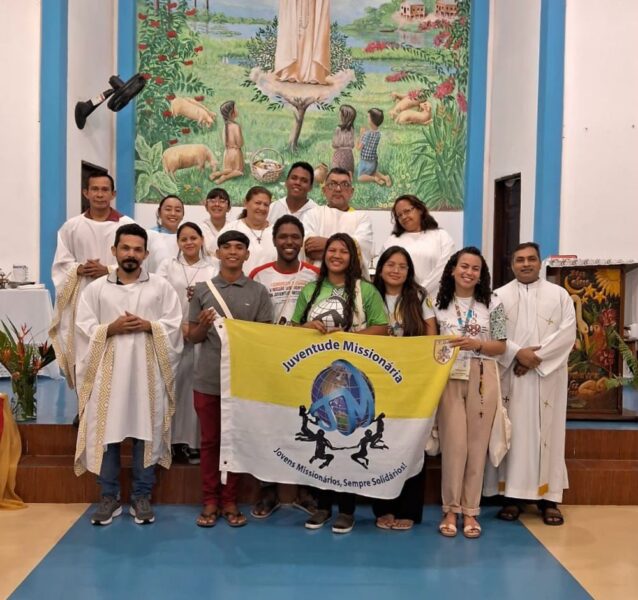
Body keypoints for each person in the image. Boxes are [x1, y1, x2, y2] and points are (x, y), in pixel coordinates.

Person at [74, 224, 183, 526]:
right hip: (108, 374)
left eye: (137, 249)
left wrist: (150, 326)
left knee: (144, 431)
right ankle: (108, 497)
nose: (131, 254)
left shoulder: (160, 287)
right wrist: (110, 328)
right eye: (125, 248)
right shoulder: (97, 289)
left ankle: (141, 496)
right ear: (114, 251)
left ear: (146, 254)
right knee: (106, 433)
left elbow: (174, 324)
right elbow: (83, 328)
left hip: (147, 374)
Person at [291, 232, 388, 533]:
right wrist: (307, 327)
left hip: (353, 375)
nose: (336, 256)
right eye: (331, 250)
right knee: (322, 432)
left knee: (348, 435)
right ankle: (322, 506)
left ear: (352, 257)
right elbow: (293, 329)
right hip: (318, 373)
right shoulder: (311, 289)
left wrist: (350, 338)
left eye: (343, 251)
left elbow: (382, 327)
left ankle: (346, 509)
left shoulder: (365, 291)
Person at [485, 242, 576, 526]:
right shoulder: (498, 297)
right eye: (520, 260)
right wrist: (516, 354)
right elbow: (494, 334)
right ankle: (511, 498)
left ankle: (549, 500)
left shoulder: (559, 295)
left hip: (548, 377)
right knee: (513, 433)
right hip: (511, 376)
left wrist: (534, 359)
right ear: (512, 265)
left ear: (540, 263)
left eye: (531, 259)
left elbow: (567, 333)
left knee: (549, 435)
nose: (526, 264)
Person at [189, 230, 273, 528]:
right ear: (218, 253)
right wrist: (202, 326)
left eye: (239, 247)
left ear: (247, 255)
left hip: (242, 382)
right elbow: (192, 337)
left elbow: (264, 339)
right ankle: (210, 500)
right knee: (210, 441)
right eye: (227, 247)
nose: (233, 252)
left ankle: (229, 500)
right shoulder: (203, 290)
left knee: (235, 442)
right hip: (208, 380)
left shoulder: (259, 292)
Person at [248, 215, 319, 518]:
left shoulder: (315, 275)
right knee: (269, 424)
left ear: (302, 241)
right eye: (283, 236)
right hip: (271, 362)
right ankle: (267, 490)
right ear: (274, 240)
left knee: (307, 423)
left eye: (295, 237)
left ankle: (305, 489)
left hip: (308, 362)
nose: (289, 242)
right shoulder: (259, 275)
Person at [433, 247, 506, 539]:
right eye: (464, 266)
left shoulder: (494, 303)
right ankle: (450, 510)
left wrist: (477, 344)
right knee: (454, 446)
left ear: (481, 274)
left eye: (475, 268)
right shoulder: (437, 302)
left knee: (477, 447)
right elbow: (429, 343)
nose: (469, 272)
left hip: (482, 374)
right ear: (453, 269)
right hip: (448, 376)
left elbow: (501, 346)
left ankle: (471, 512)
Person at [371, 246, 437, 530]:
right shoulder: (369, 294)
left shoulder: (419, 296)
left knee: (411, 443)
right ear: (381, 268)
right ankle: (383, 508)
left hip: (411, 382)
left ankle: (409, 509)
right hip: (377, 380)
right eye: (390, 264)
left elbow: (432, 335)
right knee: (378, 440)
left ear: (409, 271)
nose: (396, 270)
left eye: (402, 266)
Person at [49, 172, 135, 389]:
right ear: (85, 193)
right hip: (82, 296)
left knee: (116, 351)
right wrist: (79, 268)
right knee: (84, 349)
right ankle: (85, 402)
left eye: (105, 190)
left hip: (117, 295)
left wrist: (108, 269)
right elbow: (61, 263)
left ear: (113, 194)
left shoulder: (127, 225)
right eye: (94, 189)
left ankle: (115, 400)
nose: (99, 194)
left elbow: (139, 261)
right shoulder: (72, 226)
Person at [157, 222, 216, 465]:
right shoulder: (167, 266)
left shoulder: (213, 267)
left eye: (193, 238)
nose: (189, 242)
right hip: (174, 333)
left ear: (202, 240)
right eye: (184, 239)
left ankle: (195, 443)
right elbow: (158, 296)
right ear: (178, 242)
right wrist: (178, 325)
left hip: (204, 335)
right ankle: (172, 442)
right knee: (174, 387)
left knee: (197, 389)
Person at [381, 194, 456, 299]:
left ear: (420, 209)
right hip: (403, 300)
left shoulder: (441, 236)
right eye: (399, 215)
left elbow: (446, 267)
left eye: (407, 211)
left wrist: (421, 292)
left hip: (437, 299)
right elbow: (384, 271)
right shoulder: (392, 241)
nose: (404, 217)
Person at [303, 168, 374, 269]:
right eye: (332, 184)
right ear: (324, 190)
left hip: (349, 278)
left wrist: (326, 244)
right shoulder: (312, 214)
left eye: (345, 184)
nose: (338, 189)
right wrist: (346, 250)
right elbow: (309, 249)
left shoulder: (362, 218)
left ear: (351, 191)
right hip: (316, 276)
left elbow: (360, 250)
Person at [219, 186, 276, 275]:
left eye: (266, 205)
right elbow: (215, 257)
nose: (262, 208)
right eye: (258, 203)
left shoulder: (277, 232)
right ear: (245, 203)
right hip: (239, 283)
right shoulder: (231, 228)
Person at [274, 0, 331, 85]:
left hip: (312, 6)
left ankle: (313, 74)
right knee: (295, 39)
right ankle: (292, 72)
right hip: (295, 6)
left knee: (310, 39)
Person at [146, 195, 184, 272]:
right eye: (168, 209)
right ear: (159, 212)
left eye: (178, 210)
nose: (173, 213)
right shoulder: (149, 235)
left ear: (183, 215)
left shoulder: (186, 238)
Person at [209, 100, 244, 185]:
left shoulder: (225, 126)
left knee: (228, 169)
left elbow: (224, 142)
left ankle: (216, 174)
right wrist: (238, 145)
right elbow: (240, 143)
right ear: (232, 113)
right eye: (236, 108)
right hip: (236, 152)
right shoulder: (236, 126)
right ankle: (224, 177)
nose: (237, 110)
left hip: (227, 152)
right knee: (239, 171)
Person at [357, 108, 391, 187]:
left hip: (365, 160)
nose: (367, 118)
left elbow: (358, 148)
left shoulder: (367, 134)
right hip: (374, 160)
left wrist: (360, 135)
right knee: (372, 171)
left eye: (368, 117)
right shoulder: (378, 133)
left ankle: (374, 179)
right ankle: (385, 177)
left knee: (360, 178)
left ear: (372, 120)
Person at [200, 188, 232, 257]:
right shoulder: (200, 230)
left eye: (222, 201)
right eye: (212, 201)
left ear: (229, 208)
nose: (217, 204)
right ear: (206, 207)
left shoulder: (234, 229)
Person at [331, 104, 356, 174]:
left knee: (336, 172)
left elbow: (334, 144)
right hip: (349, 155)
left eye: (340, 114)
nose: (339, 115)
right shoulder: (352, 129)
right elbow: (352, 144)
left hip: (339, 154)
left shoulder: (338, 129)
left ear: (344, 116)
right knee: (347, 172)